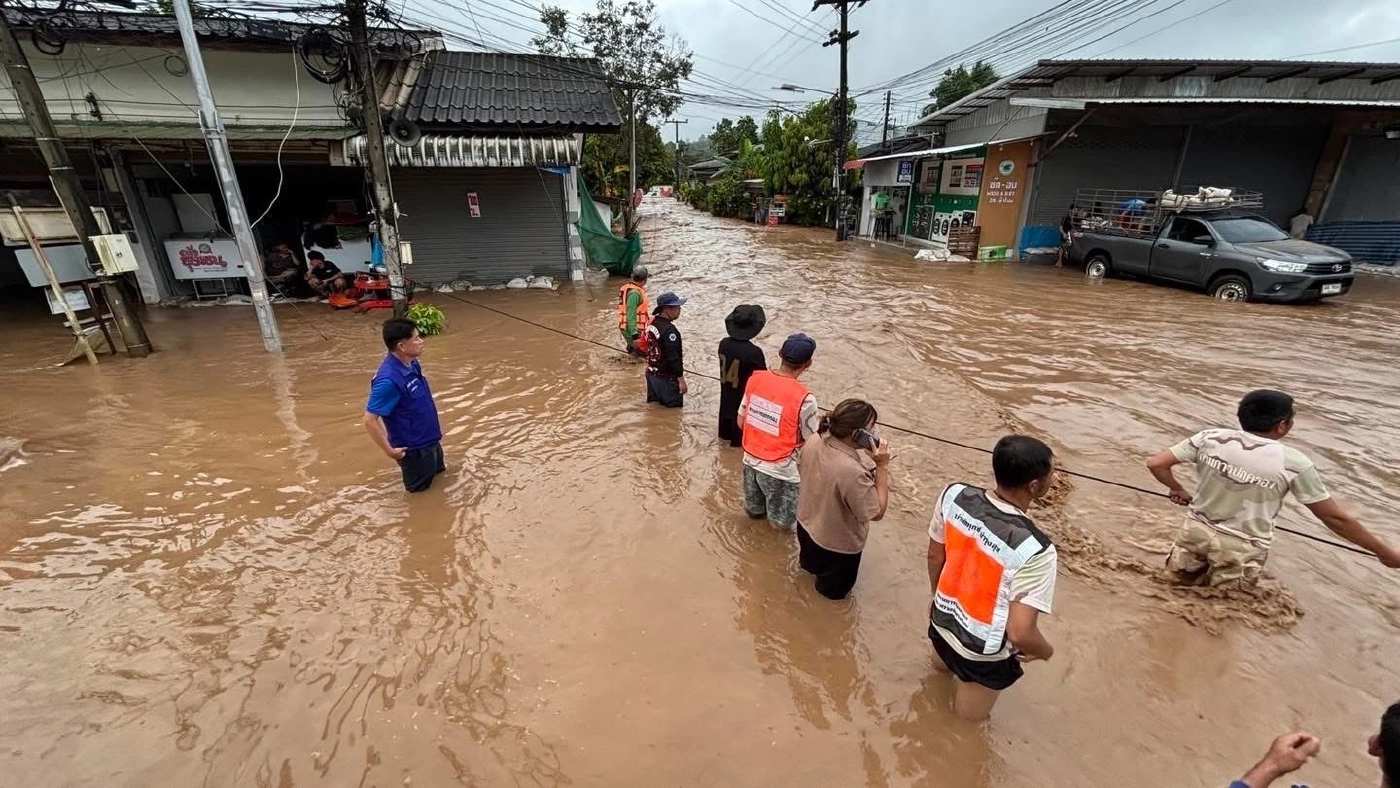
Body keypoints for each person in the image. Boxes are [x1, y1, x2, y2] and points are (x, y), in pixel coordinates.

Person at [1147, 389, 1400, 587]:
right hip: (1242, 548)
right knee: (1225, 611)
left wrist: (1177, 489)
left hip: (1194, 532)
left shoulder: (1209, 438)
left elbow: (1156, 463)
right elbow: (1334, 518)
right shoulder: (1294, 463)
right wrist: (1384, 552)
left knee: (1170, 588)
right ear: (1282, 425)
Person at [926, 435, 1058, 722]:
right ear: (1035, 486)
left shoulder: (954, 495)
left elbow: (935, 556)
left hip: (941, 618)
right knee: (966, 724)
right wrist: (1046, 651)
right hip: (981, 651)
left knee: (936, 676)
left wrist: (937, 600)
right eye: (1051, 474)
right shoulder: (1037, 549)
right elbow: (1020, 633)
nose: (1052, 479)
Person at [794, 399, 890, 600]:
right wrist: (881, 467)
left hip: (805, 527)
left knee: (807, 577)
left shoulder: (813, 440)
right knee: (831, 601)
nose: (875, 432)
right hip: (836, 549)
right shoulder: (853, 472)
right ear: (857, 434)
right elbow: (877, 512)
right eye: (872, 427)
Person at [738, 333, 819, 530]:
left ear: (780, 354)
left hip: (750, 461)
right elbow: (812, 442)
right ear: (808, 364)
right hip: (781, 471)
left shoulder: (755, 379)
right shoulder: (806, 398)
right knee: (780, 527)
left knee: (754, 515)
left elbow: (741, 421)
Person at [362, 318, 446, 493]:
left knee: (440, 483)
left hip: (430, 440)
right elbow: (369, 419)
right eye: (416, 338)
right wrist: (390, 451)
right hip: (414, 449)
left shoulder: (411, 362)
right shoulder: (388, 380)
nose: (421, 341)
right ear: (401, 346)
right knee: (421, 498)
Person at [717, 305, 767, 447]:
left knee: (723, 441)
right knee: (739, 445)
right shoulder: (754, 352)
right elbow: (761, 380)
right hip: (742, 404)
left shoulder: (723, 343)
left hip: (725, 398)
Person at [644, 292, 687, 408]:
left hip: (651, 374)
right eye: (677, 307)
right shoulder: (670, 330)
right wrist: (681, 380)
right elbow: (673, 357)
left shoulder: (651, 323)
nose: (679, 310)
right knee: (673, 414)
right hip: (667, 379)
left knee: (654, 409)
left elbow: (646, 346)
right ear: (666, 309)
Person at [618, 266, 651, 357]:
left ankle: (632, 352)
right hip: (633, 329)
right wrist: (635, 336)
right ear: (645, 280)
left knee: (636, 351)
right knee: (642, 355)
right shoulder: (634, 294)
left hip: (628, 326)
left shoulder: (630, 289)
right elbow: (631, 315)